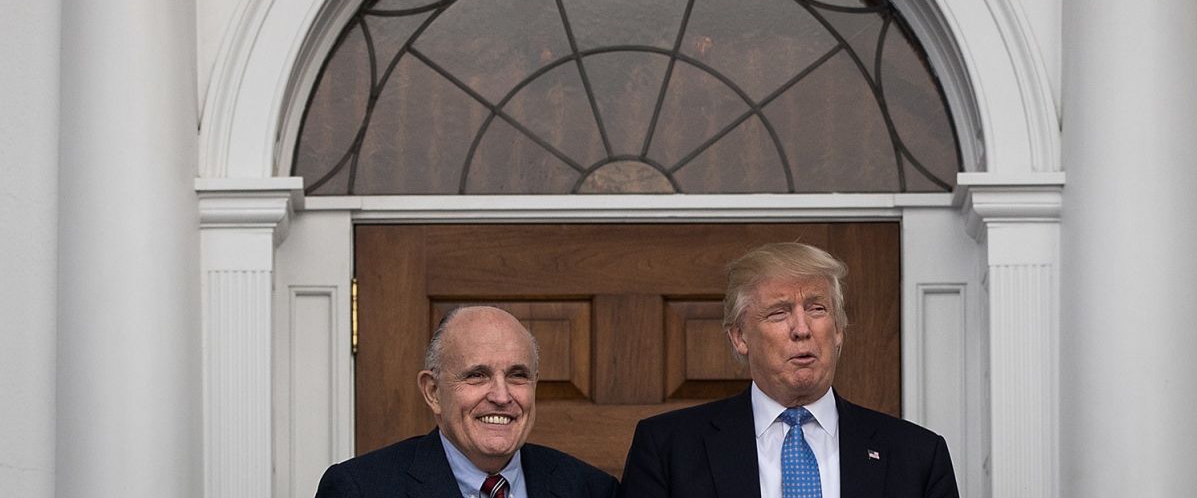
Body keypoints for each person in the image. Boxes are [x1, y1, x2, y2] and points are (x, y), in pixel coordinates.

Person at [619, 243, 959, 498]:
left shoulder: (917, 456)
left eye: (817, 309)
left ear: (839, 329)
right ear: (740, 337)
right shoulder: (669, 448)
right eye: (779, 313)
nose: (801, 328)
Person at [317, 305, 618, 498]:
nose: (501, 396)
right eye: (477, 375)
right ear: (432, 391)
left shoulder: (591, 489)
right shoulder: (359, 489)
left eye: (517, 375)